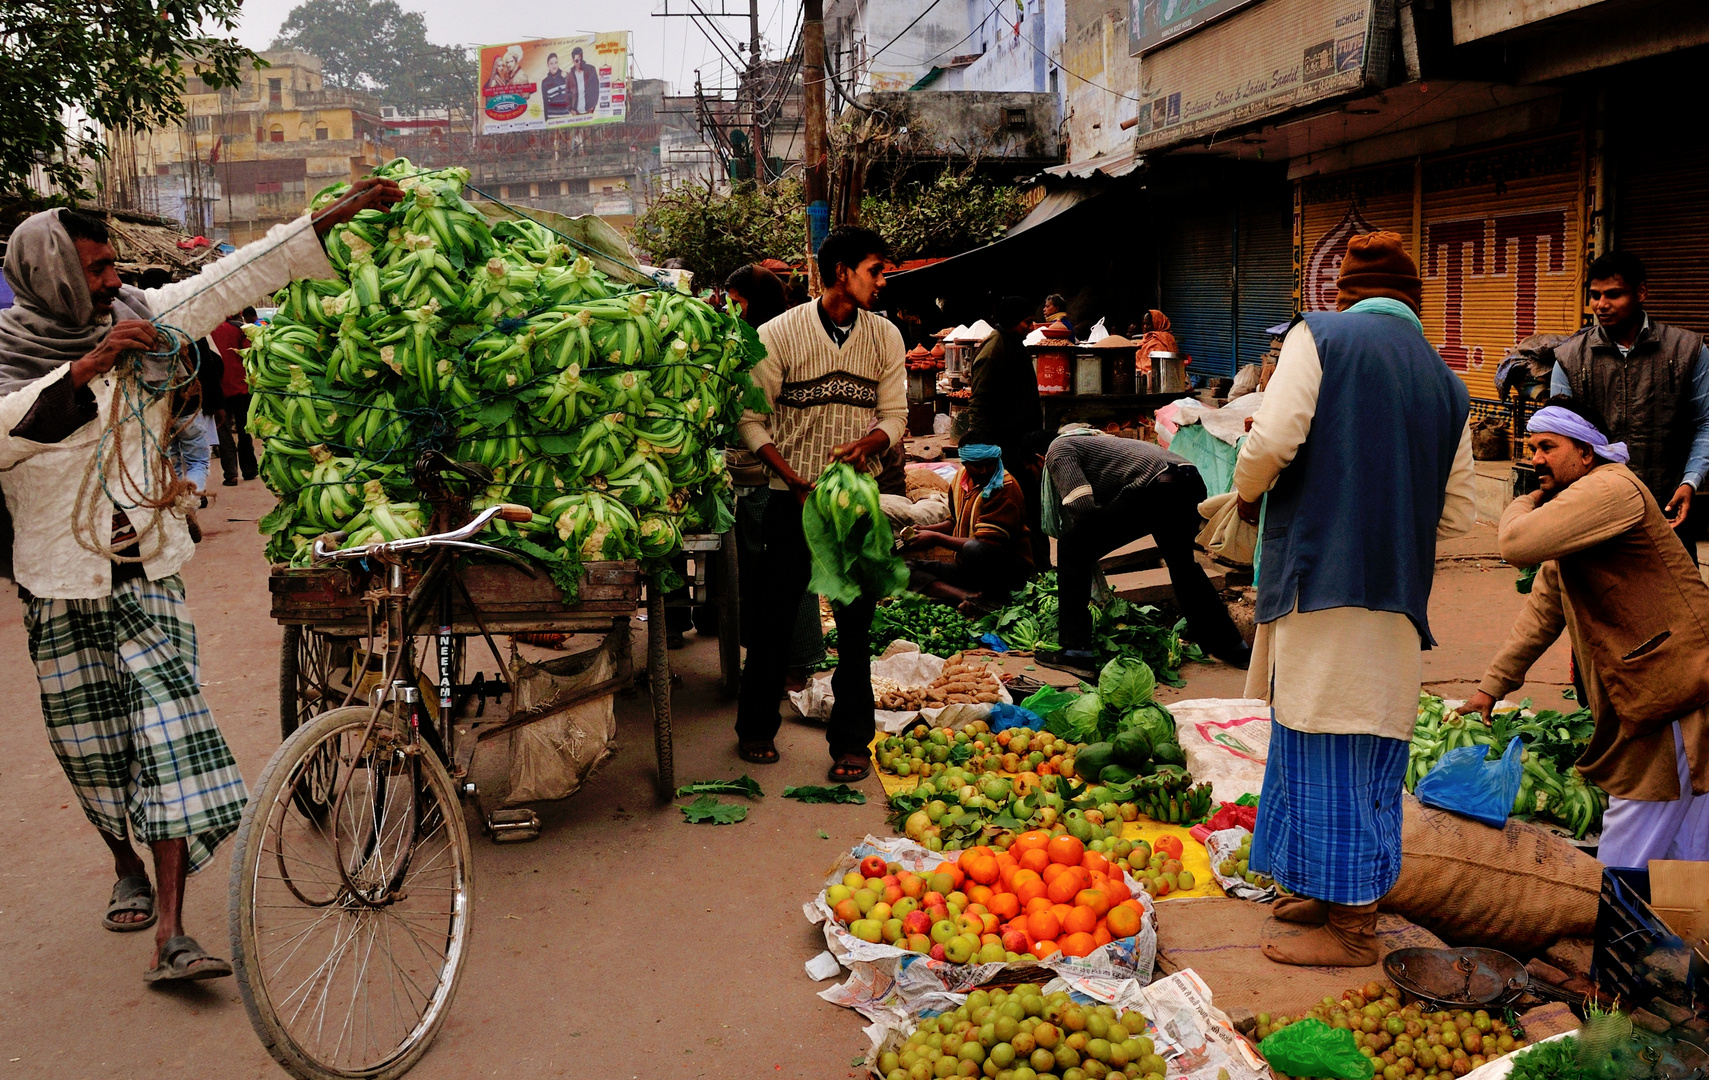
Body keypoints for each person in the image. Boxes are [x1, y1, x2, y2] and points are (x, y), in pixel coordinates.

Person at [0, 178, 402, 983]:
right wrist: (81, 374)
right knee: (92, 747)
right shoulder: (9, 354)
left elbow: (245, 272)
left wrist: (337, 215)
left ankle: (173, 933)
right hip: (56, 580)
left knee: (169, 737)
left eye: (115, 267)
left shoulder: (143, 321)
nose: (115, 282)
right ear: (50, 276)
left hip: (148, 570)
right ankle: (125, 864)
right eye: (97, 270)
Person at [1230, 230, 1475, 967]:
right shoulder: (1447, 380)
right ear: (1412, 299)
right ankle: (1325, 888)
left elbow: (1272, 440)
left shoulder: (1320, 336)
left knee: (1325, 735)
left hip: (1322, 581)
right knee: (1348, 741)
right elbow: (1458, 513)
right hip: (1395, 594)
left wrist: (1246, 493)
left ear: (1340, 292)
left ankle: (1354, 929)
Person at [1460, 398, 1709, 867]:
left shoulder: (1611, 490)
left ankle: (1616, 928)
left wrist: (1526, 501)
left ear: (1587, 453)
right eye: (1532, 448)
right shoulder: (1579, 514)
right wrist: (1489, 690)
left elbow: (1514, 543)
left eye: (1548, 447)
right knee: (1682, 842)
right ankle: (1673, 931)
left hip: (1670, 688)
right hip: (1659, 689)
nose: (1536, 459)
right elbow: (1542, 612)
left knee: (1634, 832)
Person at [734, 226, 906, 781]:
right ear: (841, 272)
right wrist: (792, 477)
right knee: (774, 620)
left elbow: (895, 417)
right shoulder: (778, 334)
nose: (882, 281)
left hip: (854, 505)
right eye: (874, 270)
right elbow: (750, 420)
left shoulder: (886, 338)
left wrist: (870, 444)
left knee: (857, 627)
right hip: (791, 499)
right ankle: (756, 728)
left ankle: (853, 742)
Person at [1031, 430, 1250, 678]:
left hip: (1159, 485)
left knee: (1072, 547)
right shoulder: (1095, 442)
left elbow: (1081, 506)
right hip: (1187, 479)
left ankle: (1075, 651)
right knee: (1183, 566)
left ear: (1039, 459)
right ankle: (1232, 646)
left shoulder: (1059, 450)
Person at [1549, 250, 1709, 561]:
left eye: (1613, 294)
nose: (1601, 305)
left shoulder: (1688, 351)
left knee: (1676, 604)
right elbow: (1559, 439)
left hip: (1667, 509)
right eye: (1595, 295)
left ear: (1641, 292)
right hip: (1594, 514)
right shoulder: (1569, 358)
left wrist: (1691, 481)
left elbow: (1705, 422)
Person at [723, 263, 825, 684]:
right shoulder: (745, 339)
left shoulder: (773, 342)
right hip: (753, 474)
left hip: (779, 473)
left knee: (789, 573)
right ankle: (773, 660)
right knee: (764, 575)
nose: (730, 309)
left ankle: (797, 665)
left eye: (736, 302)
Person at [903, 444, 1033, 614]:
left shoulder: (1005, 487)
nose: (984, 470)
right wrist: (925, 529)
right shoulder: (959, 480)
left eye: (990, 464)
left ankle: (993, 597)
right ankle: (967, 596)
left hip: (1005, 570)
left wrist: (934, 537)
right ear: (965, 463)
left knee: (973, 548)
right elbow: (954, 522)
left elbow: (985, 543)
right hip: (969, 568)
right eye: (977, 466)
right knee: (905, 568)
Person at [965, 295, 1046, 568]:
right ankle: (1029, 568)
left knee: (1033, 507)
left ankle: (1040, 566)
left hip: (1022, 444)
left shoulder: (1014, 344)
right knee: (1020, 508)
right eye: (1027, 321)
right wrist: (983, 453)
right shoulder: (993, 351)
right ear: (1012, 321)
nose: (1031, 326)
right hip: (1004, 447)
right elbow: (980, 404)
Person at [211, 308, 255, 484]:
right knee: (244, 430)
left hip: (218, 389)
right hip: (241, 387)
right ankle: (249, 469)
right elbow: (249, 355)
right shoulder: (240, 329)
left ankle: (231, 474)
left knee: (224, 431)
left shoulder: (207, 332)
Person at [568, 47, 600, 116]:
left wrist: (592, 106)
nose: (579, 62)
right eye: (577, 60)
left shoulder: (591, 70)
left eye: (580, 59)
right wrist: (571, 109)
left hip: (589, 110)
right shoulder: (570, 75)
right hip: (576, 112)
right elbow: (567, 94)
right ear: (573, 61)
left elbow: (596, 89)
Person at [541, 52, 571, 119]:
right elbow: (545, 102)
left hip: (566, 116)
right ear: (548, 65)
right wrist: (546, 120)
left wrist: (567, 77)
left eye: (556, 62)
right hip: (552, 118)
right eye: (551, 63)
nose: (554, 65)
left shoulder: (565, 75)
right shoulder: (544, 82)